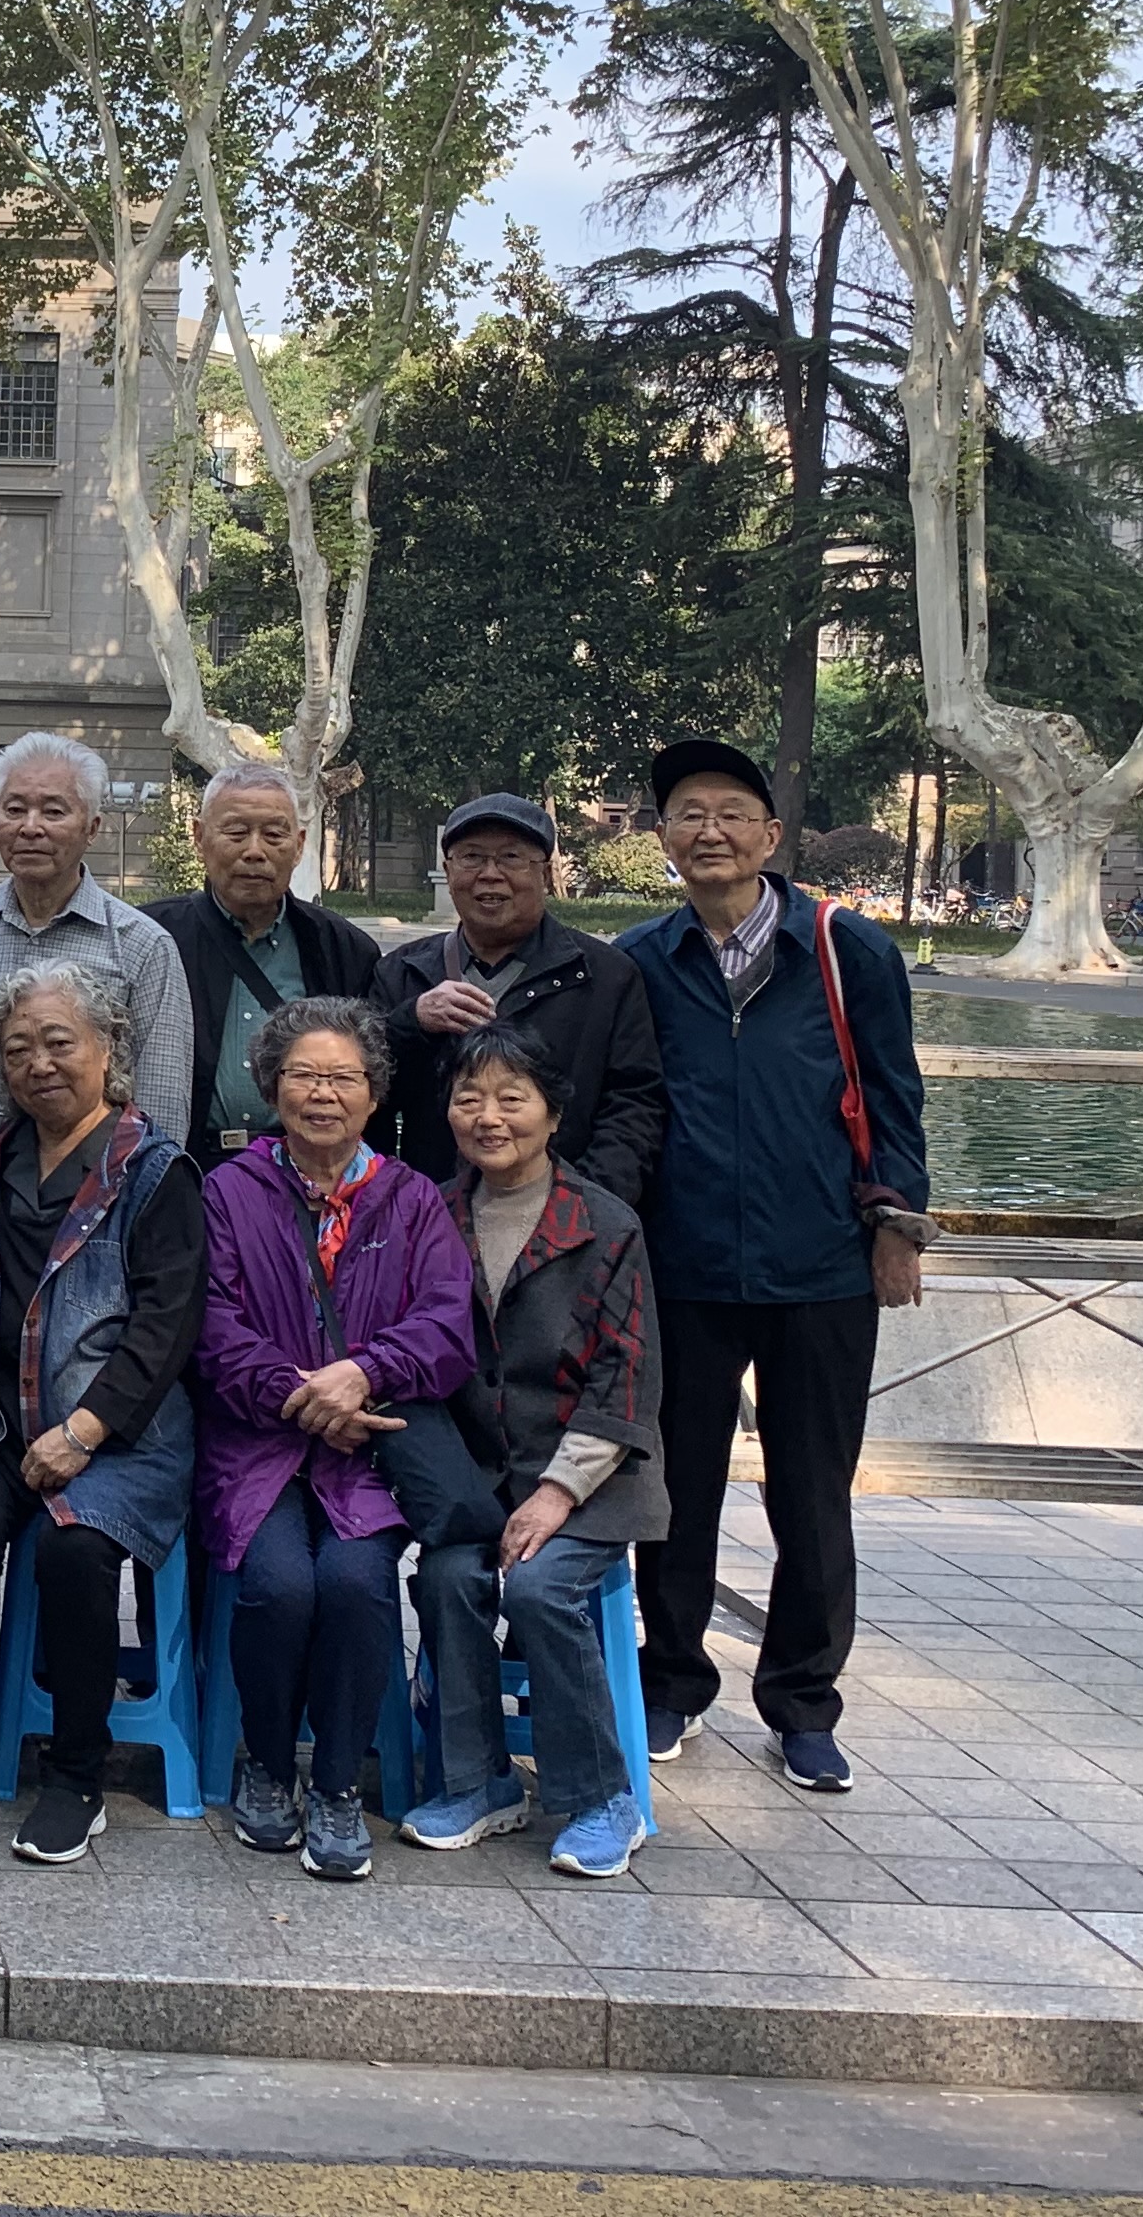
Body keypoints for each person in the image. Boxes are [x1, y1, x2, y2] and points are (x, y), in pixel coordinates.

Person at [616, 737, 930, 1794]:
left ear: (772, 835)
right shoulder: (640, 960)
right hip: (684, 1266)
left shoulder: (846, 951)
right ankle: (671, 1680)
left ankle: (803, 1704)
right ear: (664, 838)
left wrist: (897, 1225)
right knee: (675, 1492)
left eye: (731, 813)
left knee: (813, 1496)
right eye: (688, 815)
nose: (709, 831)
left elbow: (894, 1097)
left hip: (821, 1265)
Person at [0, 956, 203, 1866]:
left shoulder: (155, 1170)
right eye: (16, 1048)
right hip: (0, 1425)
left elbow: (165, 1328)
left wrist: (84, 1431)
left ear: (108, 1048)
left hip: (118, 1434)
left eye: (59, 1042)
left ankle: (76, 1776)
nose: (38, 1064)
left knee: (74, 1554)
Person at [192, 993, 476, 1883]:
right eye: (304, 1076)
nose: (323, 1094)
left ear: (374, 1092)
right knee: (278, 1585)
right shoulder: (228, 1190)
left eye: (344, 1078)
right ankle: (269, 1765)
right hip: (258, 1445)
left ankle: (339, 1785)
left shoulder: (412, 1197)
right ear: (270, 1086)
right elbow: (212, 1328)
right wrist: (302, 1396)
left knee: (355, 1584)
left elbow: (447, 1324)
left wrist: (365, 1373)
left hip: (375, 1447)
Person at [400, 1026, 664, 1879]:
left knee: (542, 1589)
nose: (489, 1117)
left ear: (553, 1113)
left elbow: (626, 1380)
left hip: (589, 1477)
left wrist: (555, 1493)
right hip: (474, 1480)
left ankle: (602, 1799)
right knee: (448, 1579)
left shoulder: (606, 1225)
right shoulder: (429, 1215)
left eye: (512, 1098)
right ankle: (478, 1782)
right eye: (469, 1098)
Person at [370, 794, 666, 1205]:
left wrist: (586, 1206)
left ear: (544, 872)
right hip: (431, 1215)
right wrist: (411, 1022)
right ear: (448, 870)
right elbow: (365, 1095)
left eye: (511, 858)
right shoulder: (402, 973)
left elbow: (634, 1104)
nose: (490, 875)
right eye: (472, 857)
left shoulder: (606, 975)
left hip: (569, 1216)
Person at [0, 733, 191, 1157]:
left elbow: (161, 1100)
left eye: (53, 811)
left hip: (88, 1168)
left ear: (92, 828)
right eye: (14, 809)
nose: (30, 827)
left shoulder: (142, 945)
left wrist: (140, 1183)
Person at [142, 760, 384, 1159]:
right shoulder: (152, 937)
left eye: (273, 835)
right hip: (185, 1163)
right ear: (199, 838)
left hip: (305, 1165)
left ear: (299, 844)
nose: (254, 851)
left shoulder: (342, 948)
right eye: (236, 833)